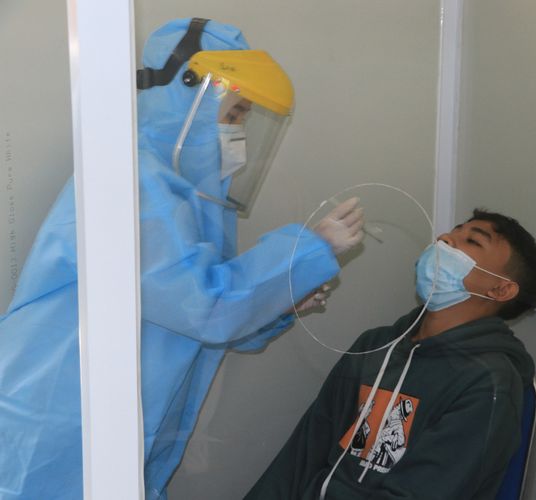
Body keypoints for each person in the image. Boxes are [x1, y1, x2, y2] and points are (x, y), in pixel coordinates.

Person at [0, 18, 364, 500]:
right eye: (232, 115)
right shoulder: (132, 183)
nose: (237, 134)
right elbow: (206, 307)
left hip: (108, 428)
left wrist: (284, 301)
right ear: (186, 95)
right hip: (55, 421)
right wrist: (310, 250)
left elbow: (205, 325)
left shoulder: (186, 202)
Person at [244, 209, 536, 500]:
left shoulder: (489, 385)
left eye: (472, 241)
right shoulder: (375, 345)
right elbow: (304, 452)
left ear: (500, 290)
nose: (445, 239)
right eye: (453, 232)